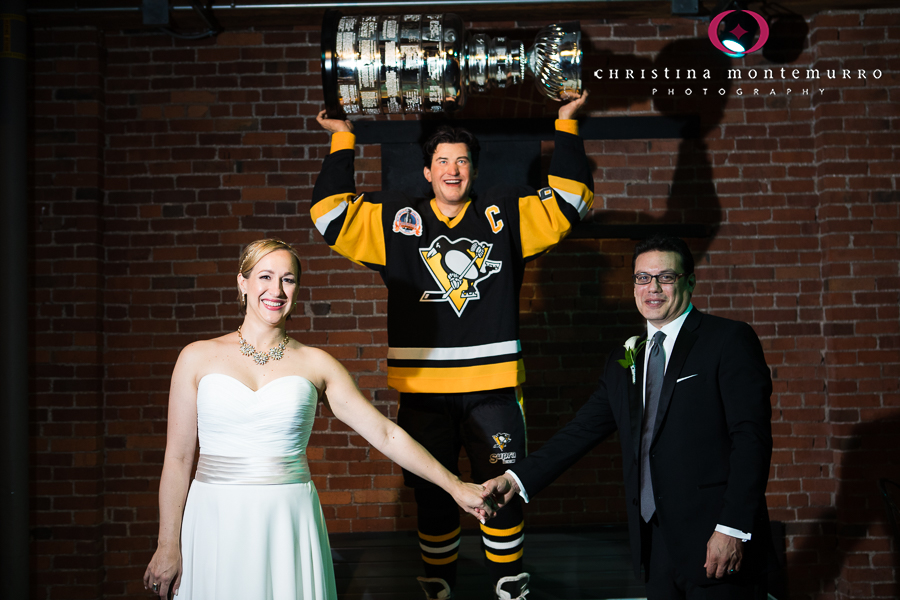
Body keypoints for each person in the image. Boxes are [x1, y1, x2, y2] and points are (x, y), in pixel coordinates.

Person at [310, 94, 594, 600]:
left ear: (474, 169)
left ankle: (508, 584)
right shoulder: (399, 220)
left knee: (502, 490)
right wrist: (342, 137)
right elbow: (330, 217)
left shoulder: (502, 212)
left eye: (462, 160)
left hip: (494, 390)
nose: (452, 169)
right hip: (423, 390)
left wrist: (565, 125)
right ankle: (438, 586)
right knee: (433, 493)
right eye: (442, 160)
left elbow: (571, 204)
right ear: (426, 172)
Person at [142, 239, 493, 600]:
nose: (276, 290)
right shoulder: (196, 357)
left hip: (288, 519)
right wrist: (168, 542)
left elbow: (386, 434)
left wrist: (454, 485)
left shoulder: (317, 364)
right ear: (242, 283)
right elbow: (179, 458)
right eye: (265, 276)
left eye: (288, 279)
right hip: (214, 517)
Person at [483, 235, 776, 600]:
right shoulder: (625, 358)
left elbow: (751, 440)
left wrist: (733, 529)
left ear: (689, 281)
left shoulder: (727, 340)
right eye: (642, 278)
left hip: (717, 542)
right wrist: (515, 479)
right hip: (653, 546)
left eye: (665, 277)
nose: (652, 288)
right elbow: (580, 431)